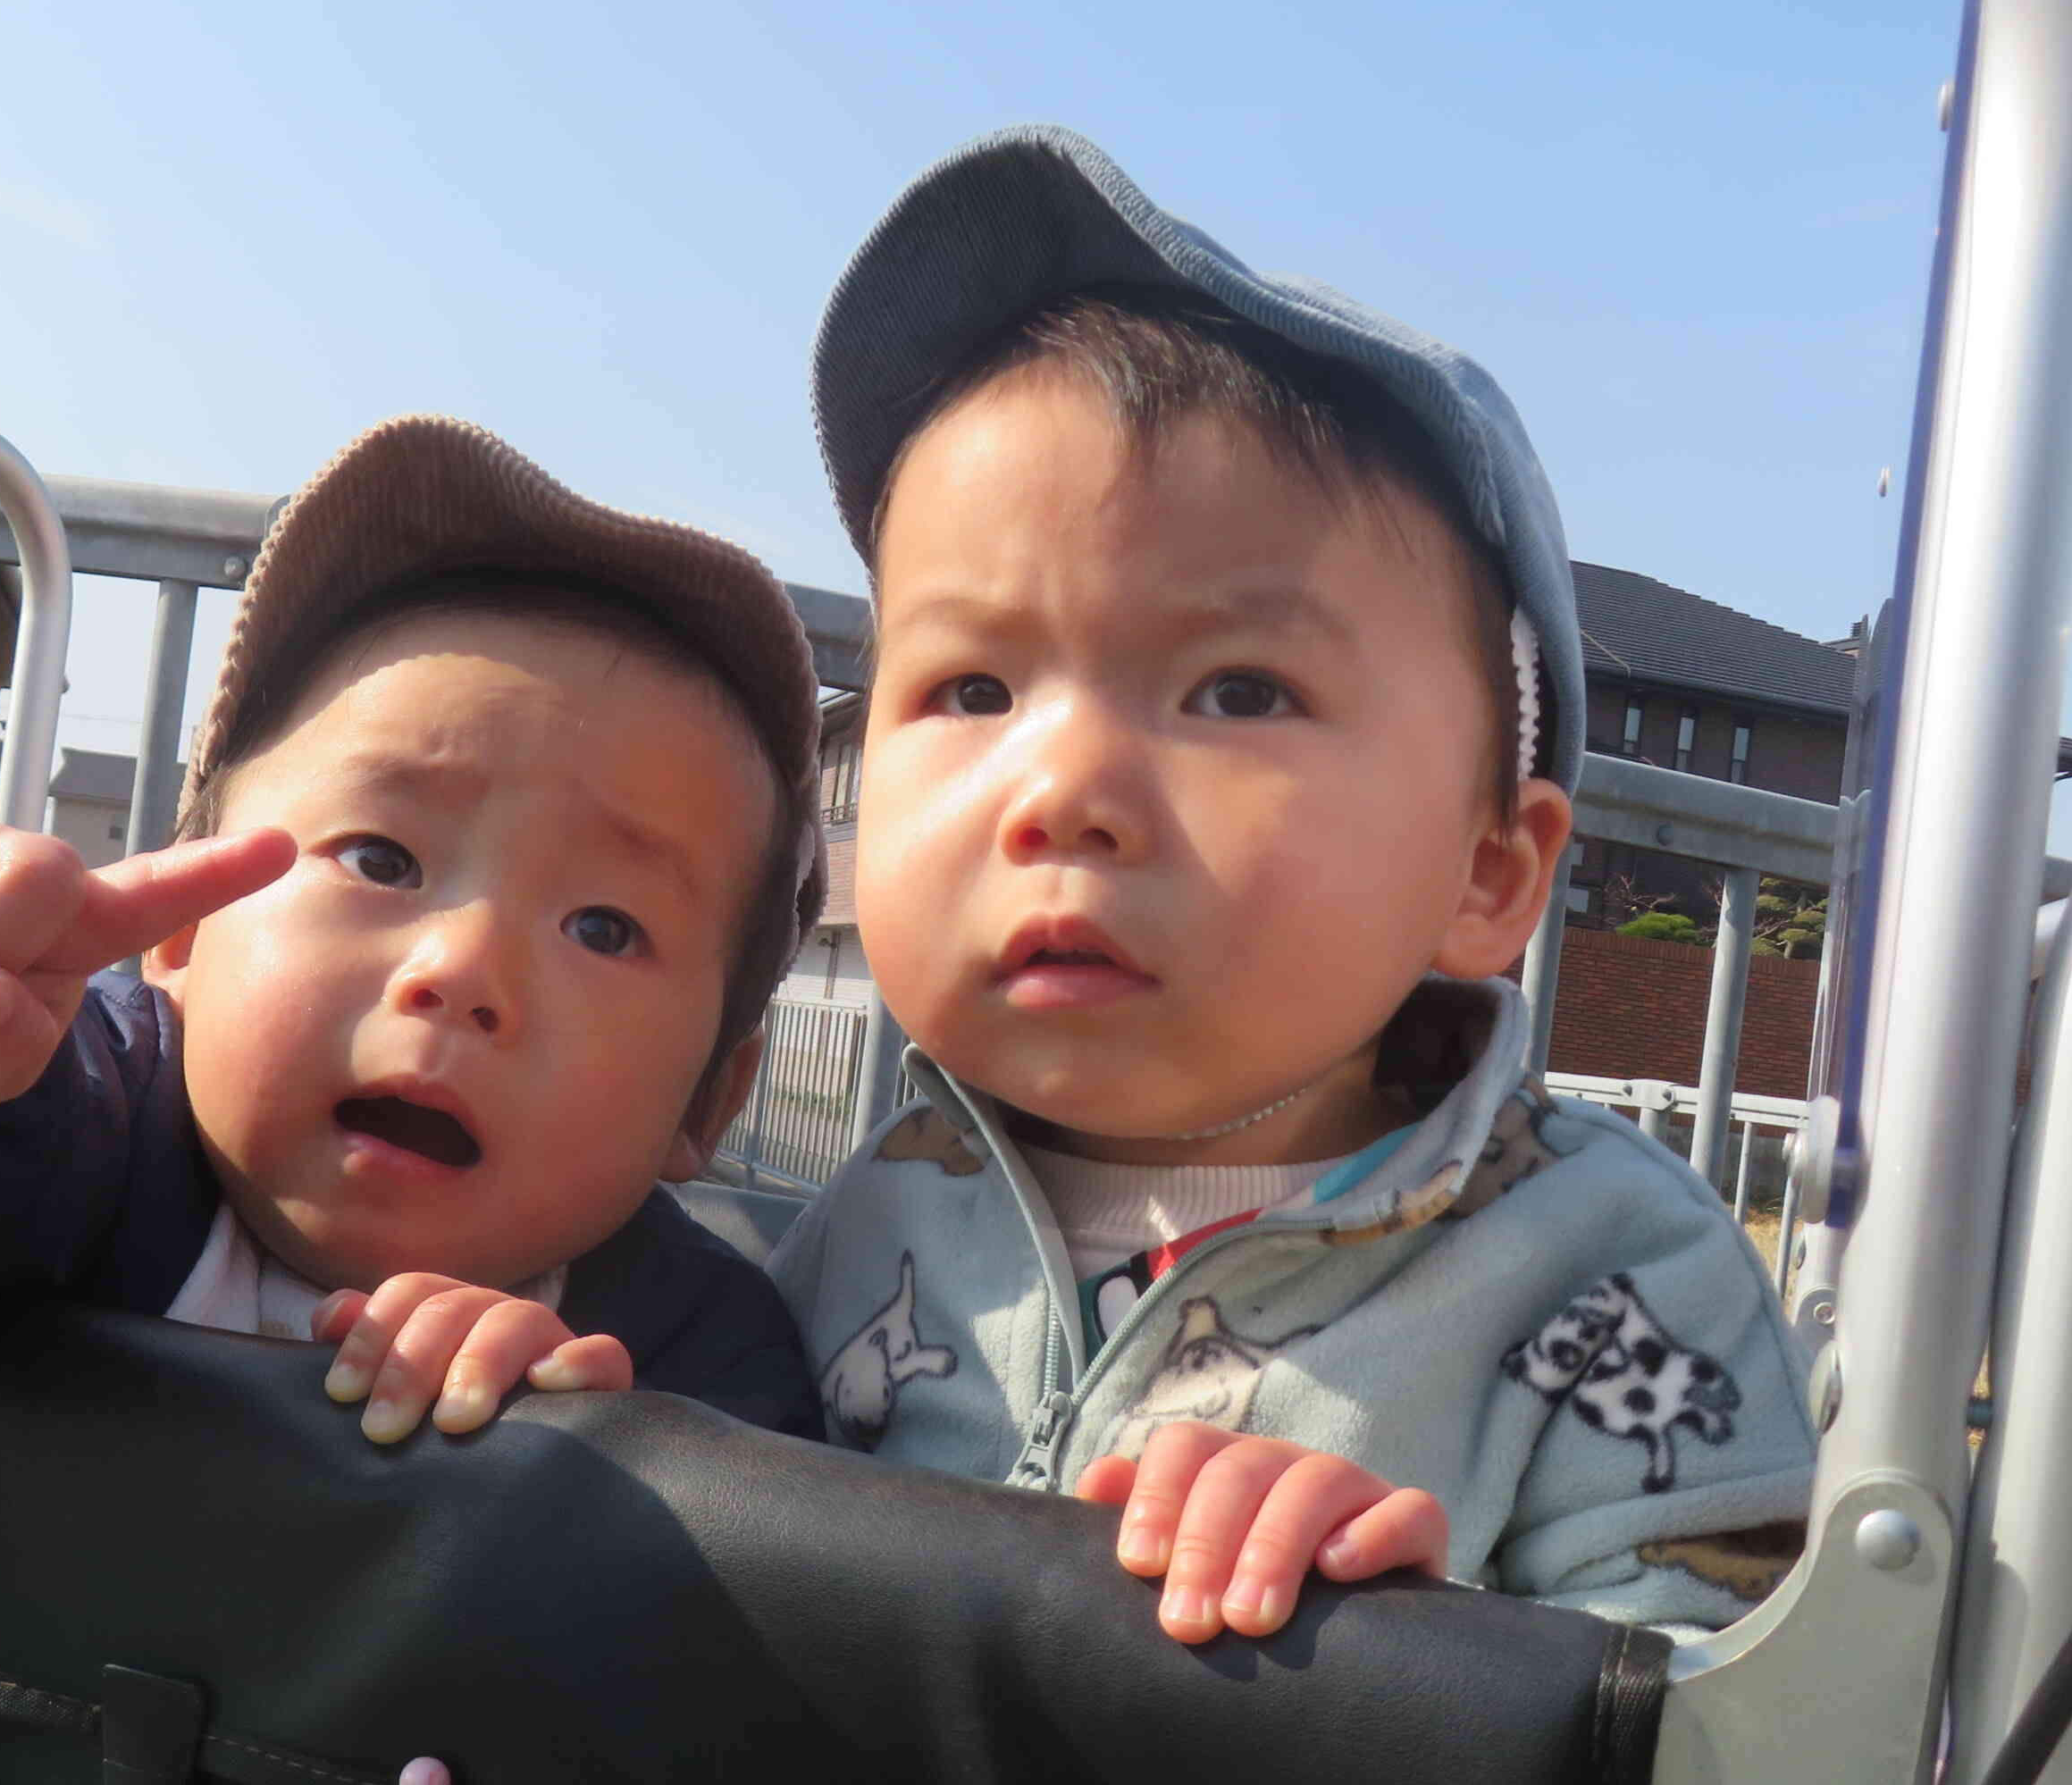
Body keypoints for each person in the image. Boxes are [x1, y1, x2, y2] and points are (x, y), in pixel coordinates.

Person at [765, 125, 1818, 1640]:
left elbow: (1741, 1738)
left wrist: (1433, 1646)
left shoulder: (1596, 1265)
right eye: (976, 689)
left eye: (1238, 693)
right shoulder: (883, 1205)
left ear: (1486, 871)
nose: (1061, 792)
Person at [0, 415, 824, 1439]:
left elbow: (792, 1641)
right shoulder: (83, 1126)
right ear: (179, 931)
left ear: (707, 1103)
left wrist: (601, 1456)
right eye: (383, 858)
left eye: (604, 928)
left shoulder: (694, 1348)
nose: (460, 970)